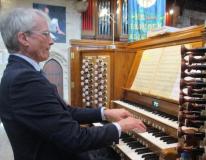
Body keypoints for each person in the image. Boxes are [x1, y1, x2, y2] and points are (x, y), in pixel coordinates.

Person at [0, 8, 146, 160]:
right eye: (46, 34)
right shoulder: (23, 80)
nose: (51, 40)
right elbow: (75, 138)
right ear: (24, 38)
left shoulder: (22, 71)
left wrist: (105, 113)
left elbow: (64, 112)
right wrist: (121, 127)